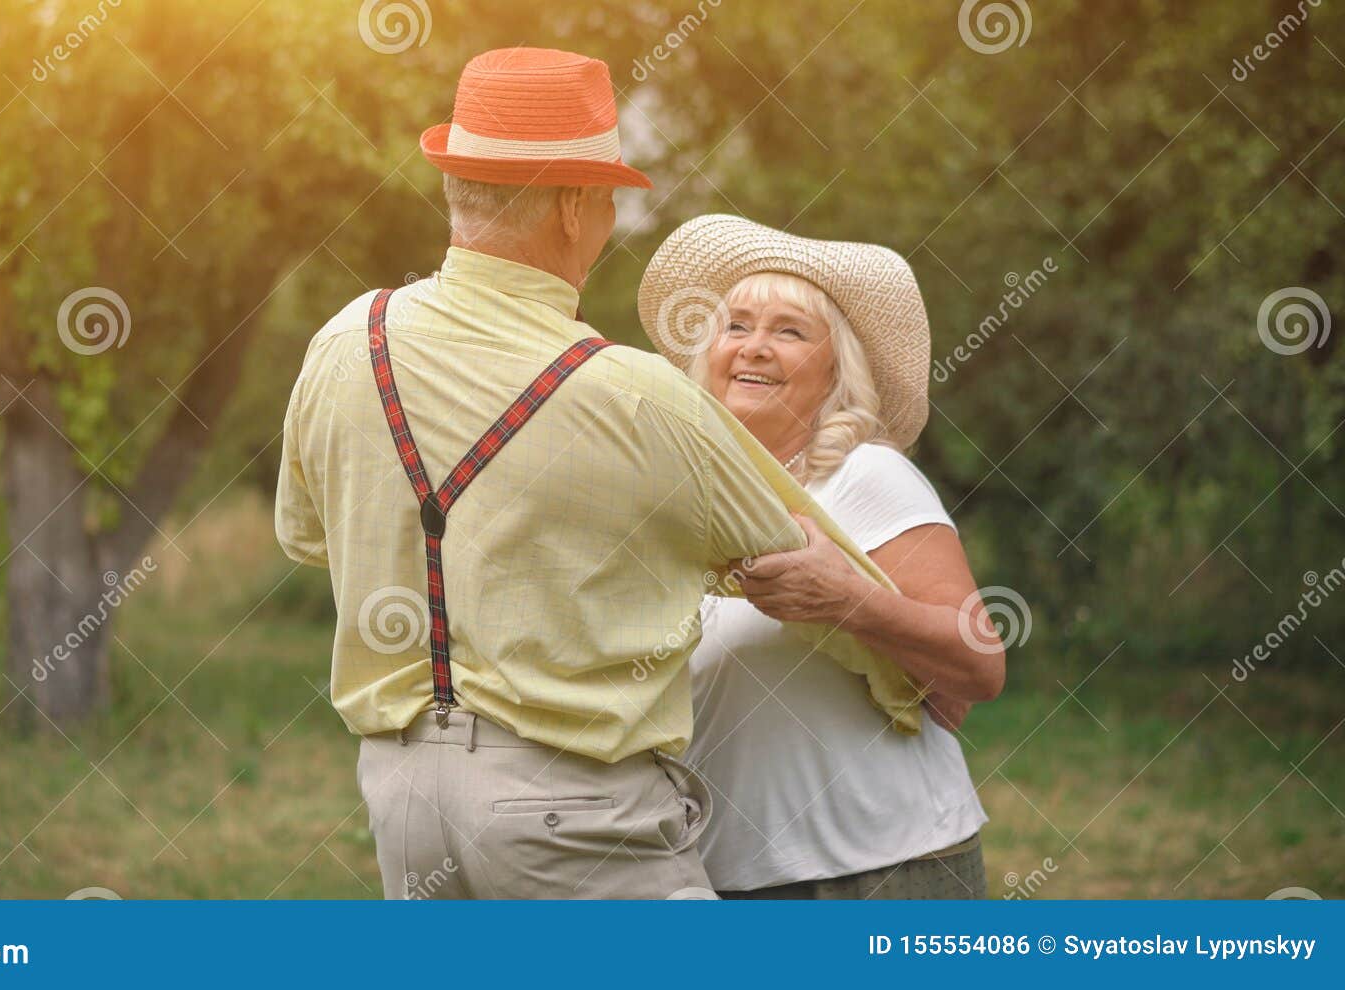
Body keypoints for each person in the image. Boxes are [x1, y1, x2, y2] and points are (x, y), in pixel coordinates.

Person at [275, 50, 915, 899]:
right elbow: (801, 566)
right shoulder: (637, 394)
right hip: (571, 811)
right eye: (610, 198)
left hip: (401, 799)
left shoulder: (344, 340)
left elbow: (306, 534)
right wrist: (908, 681)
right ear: (575, 206)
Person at [637, 215, 1007, 898]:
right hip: (718, 879)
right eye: (737, 325)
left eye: (790, 331)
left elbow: (980, 664)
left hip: (882, 870)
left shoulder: (866, 476)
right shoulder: (673, 502)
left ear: (837, 369)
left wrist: (848, 601)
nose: (755, 348)